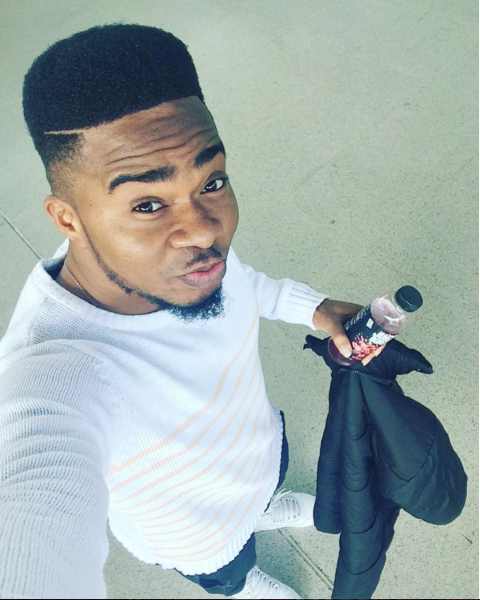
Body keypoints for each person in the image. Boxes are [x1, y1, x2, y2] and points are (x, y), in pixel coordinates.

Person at [0, 23, 384, 600]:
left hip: (259, 449)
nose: (204, 231)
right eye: (147, 204)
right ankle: (240, 584)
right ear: (67, 219)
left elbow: (245, 285)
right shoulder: (55, 374)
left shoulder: (177, 259)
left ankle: (262, 506)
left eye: (212, 180)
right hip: (198, 534)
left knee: (267, 481)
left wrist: (317, 309)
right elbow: (31, 516)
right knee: (227, 570)